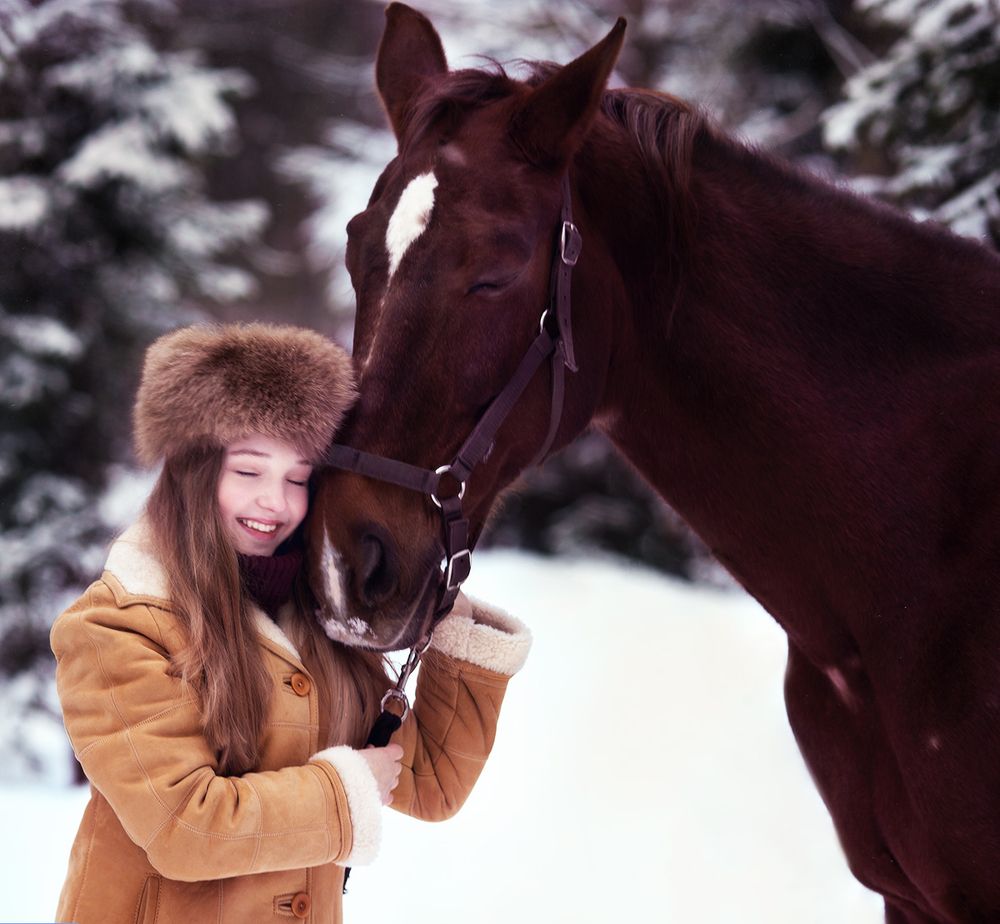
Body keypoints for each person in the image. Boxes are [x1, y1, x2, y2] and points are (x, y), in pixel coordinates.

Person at [50, 323, 531, 923]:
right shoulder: (120, 628)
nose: (275, 504)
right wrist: (341, 791)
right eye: (249, 472)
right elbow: (183, 826)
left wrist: (451, 624)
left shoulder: (316, 625)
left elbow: (429, 781)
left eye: (298, 479)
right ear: (194, 473)